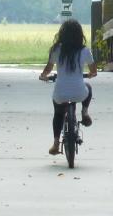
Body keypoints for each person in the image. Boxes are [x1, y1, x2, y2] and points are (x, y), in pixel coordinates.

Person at [39, 18, 97, 155]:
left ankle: (55, 144)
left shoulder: (56, 50)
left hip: (61, 94)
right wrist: (89, 74)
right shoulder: (85, 51)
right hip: (79, 93)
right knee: (88, 87)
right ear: (79, 34)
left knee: (58, 113)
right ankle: (85, 112)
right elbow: (94, 71)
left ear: (62, 34)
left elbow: (48, 69)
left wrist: (43, 76)